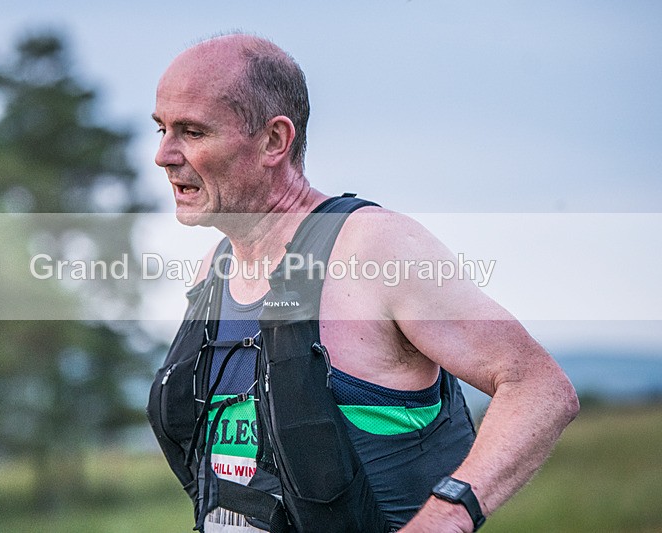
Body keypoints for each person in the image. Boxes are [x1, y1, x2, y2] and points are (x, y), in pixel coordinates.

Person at [149, 33, 579, 532]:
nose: (164, 155)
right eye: (161, 129)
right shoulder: (213, 269)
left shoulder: (370, 249)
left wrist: (445, 518)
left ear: (273, 141)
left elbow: (540, 388)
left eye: (193, 132)